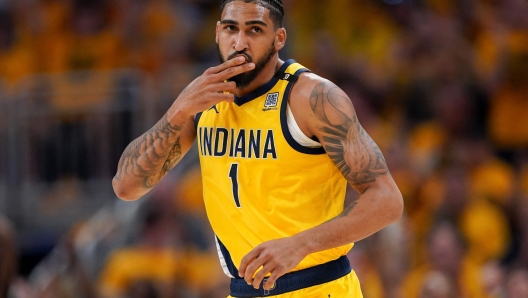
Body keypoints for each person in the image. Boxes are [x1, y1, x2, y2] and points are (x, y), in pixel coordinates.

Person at [112, 0, 403, 296]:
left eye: (254, 30)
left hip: (317, 286)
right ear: (217, 33)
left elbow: (387, 199)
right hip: (242, 291)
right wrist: (177, 112)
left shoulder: (313, 97)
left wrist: (301, 244)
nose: (240, 42)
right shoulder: (202, 101)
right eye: (230, 29)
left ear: (279, 39)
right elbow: (126, 186)